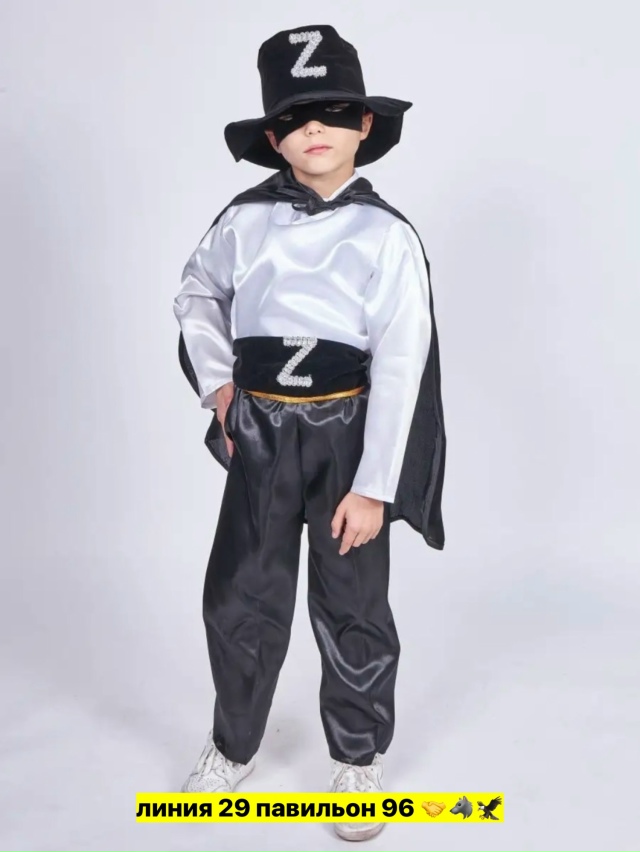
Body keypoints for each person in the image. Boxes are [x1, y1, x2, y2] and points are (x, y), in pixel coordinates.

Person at [172, 24, 447, 842]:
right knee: (241, 593)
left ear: (364, 124)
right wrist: (219, 385)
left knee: (351, 599)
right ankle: (233, 743)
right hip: (260, 429)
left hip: (347, 432)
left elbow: (402, 360)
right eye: (293, 117)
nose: (313, 129)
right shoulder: (243, 221)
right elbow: (197, 294)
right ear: (272, 137)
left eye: (331, 111)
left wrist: (375, 486)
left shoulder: (386, 235)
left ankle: (357, 755)